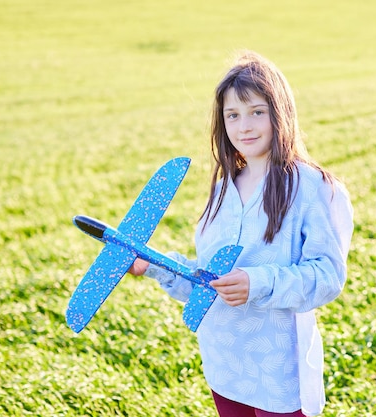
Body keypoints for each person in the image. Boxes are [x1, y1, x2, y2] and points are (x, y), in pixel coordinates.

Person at [130, 51, 354, 417]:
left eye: (256, 112)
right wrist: (154, 264)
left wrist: (258, 282)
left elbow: (327, 277)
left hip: (277, 374)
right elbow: (208, 282)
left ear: (280, 113)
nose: (244, 126)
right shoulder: (222, 189)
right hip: (224, 363)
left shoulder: (312, 187)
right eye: (232, 115)